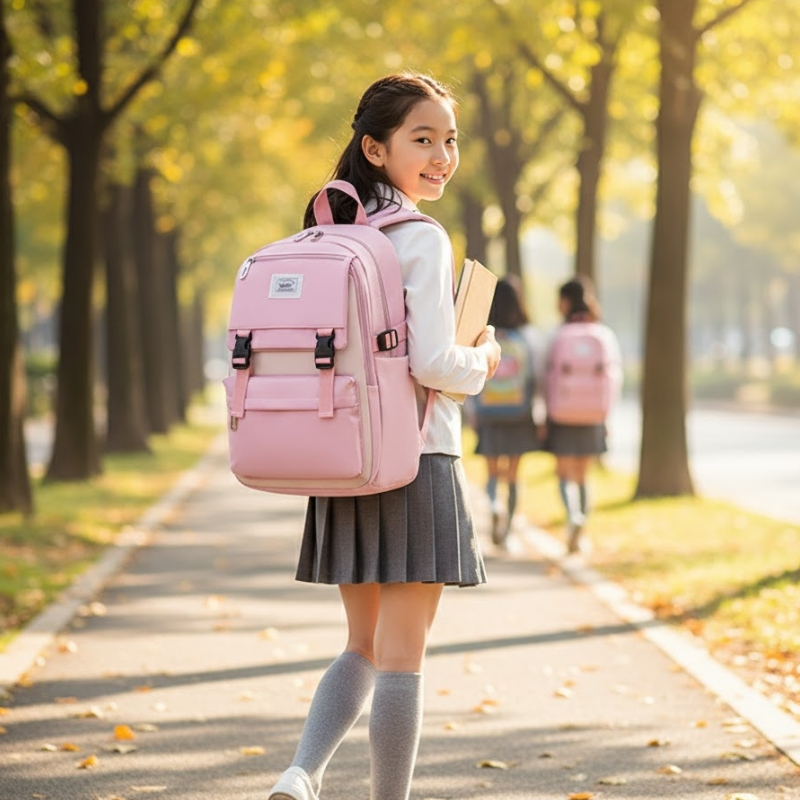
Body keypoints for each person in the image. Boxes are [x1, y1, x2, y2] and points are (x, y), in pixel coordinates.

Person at [267, 73, 501, 800]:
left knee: (360, 647)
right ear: (376, 147)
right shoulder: (420, 238)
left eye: (449, 140)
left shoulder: (331, 231)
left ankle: (301, 773)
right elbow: (435, 363)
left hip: (341, 462)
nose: (441, 155)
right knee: (403, 657)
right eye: (422, 139)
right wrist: (485, 359)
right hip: (415, 459)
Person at [542, 275, 622, 555]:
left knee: (564, 473)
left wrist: (544, 414)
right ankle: (582, 523)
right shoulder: (603, 335)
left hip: (562, 414)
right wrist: (607, 417)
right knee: (584, 474)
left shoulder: (557, 336)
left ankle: (572, 516)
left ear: (564, 302)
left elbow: (545, 378)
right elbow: (614, 380)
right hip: (594, 415)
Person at [471, 278, 542, 549]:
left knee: (491, 472)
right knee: (513, 474)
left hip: (489, 413)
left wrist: (474, 414)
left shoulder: (482, 336)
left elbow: (474, 376)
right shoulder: (527, 337)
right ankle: (509, 528)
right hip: (519, 414)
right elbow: (536, 379)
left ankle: (492, 506)